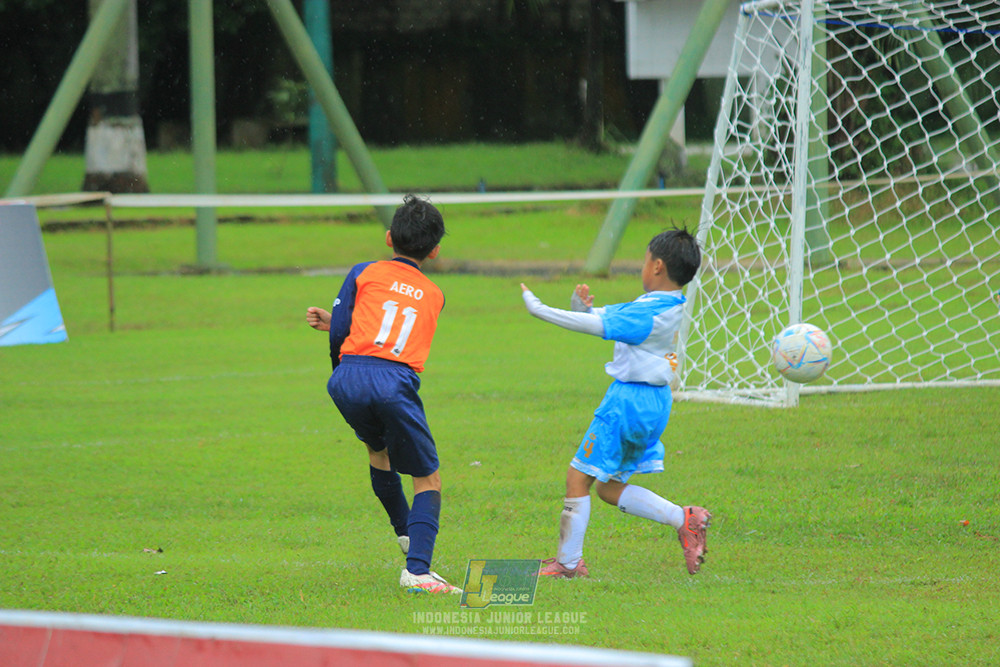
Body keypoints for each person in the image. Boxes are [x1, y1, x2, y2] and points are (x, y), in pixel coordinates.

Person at [519, 227, 711, 578]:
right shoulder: (668, 304)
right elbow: (608, 317)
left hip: (628, 403)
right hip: (655, 402)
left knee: (578, 478)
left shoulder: (647, 314)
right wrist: (585, 309)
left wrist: (540, 309)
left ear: (656, 266)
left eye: (643, 260)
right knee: (608, 488)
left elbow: (597, 327)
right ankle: (683, 519)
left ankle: (568, 564)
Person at [306, 194, 460, 594]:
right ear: (436, 250)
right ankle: (418, 570)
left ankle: (406, 533)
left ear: (389, 237)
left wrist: (343, 366)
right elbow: (398, 333)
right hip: (392, 381)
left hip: (347, 378)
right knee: (428, 478)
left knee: (380, 454)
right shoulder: (434, 294)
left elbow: (342, 333)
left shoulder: (363, 271)